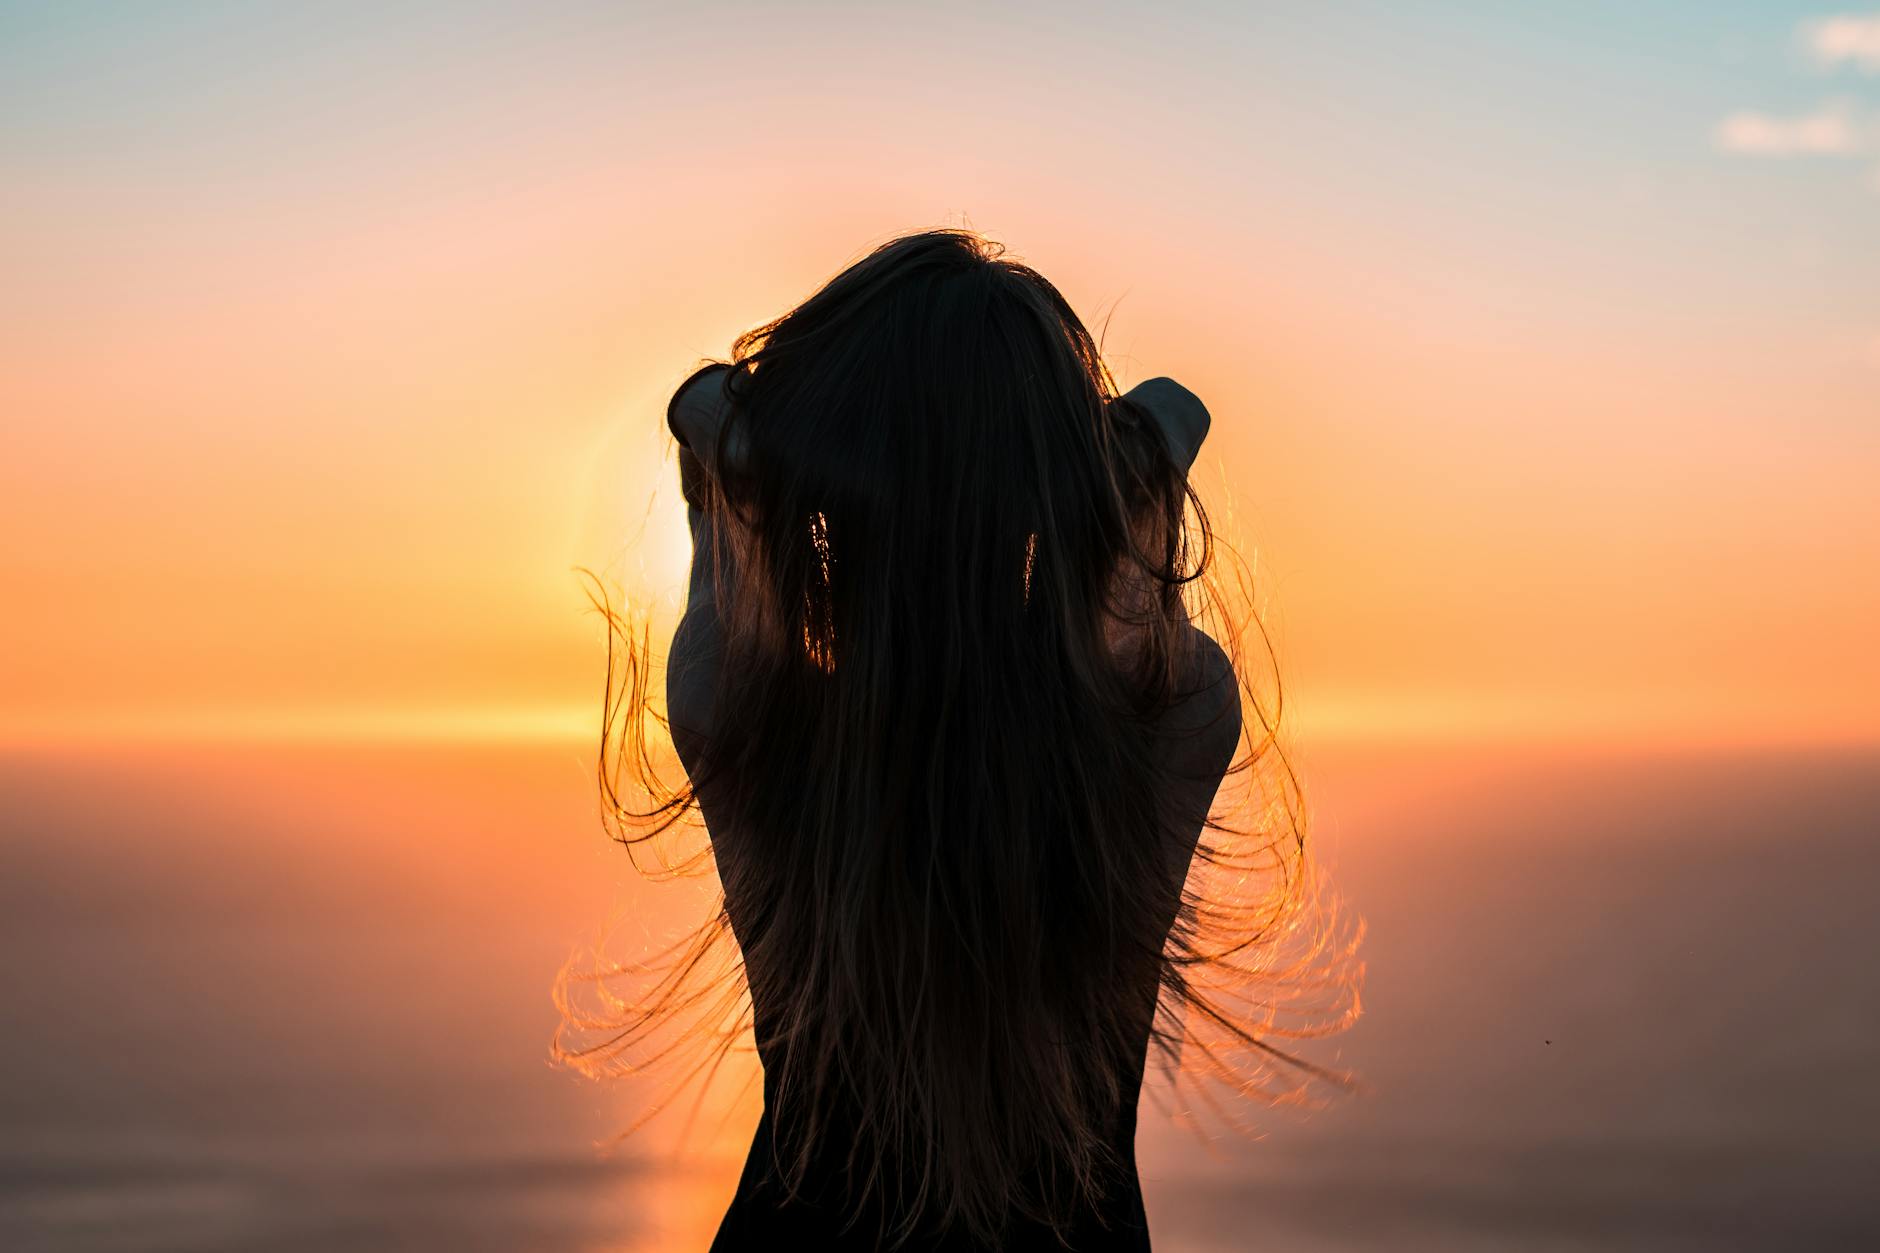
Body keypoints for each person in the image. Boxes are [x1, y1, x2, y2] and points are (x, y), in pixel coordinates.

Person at [560, 228, 1356, 1250]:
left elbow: (703, 413)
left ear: (825, 474)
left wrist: (790, 450)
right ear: (1060, 484)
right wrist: (1075, 467)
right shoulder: (1168, 723)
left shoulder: (739, 711)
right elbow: (1176, 412)